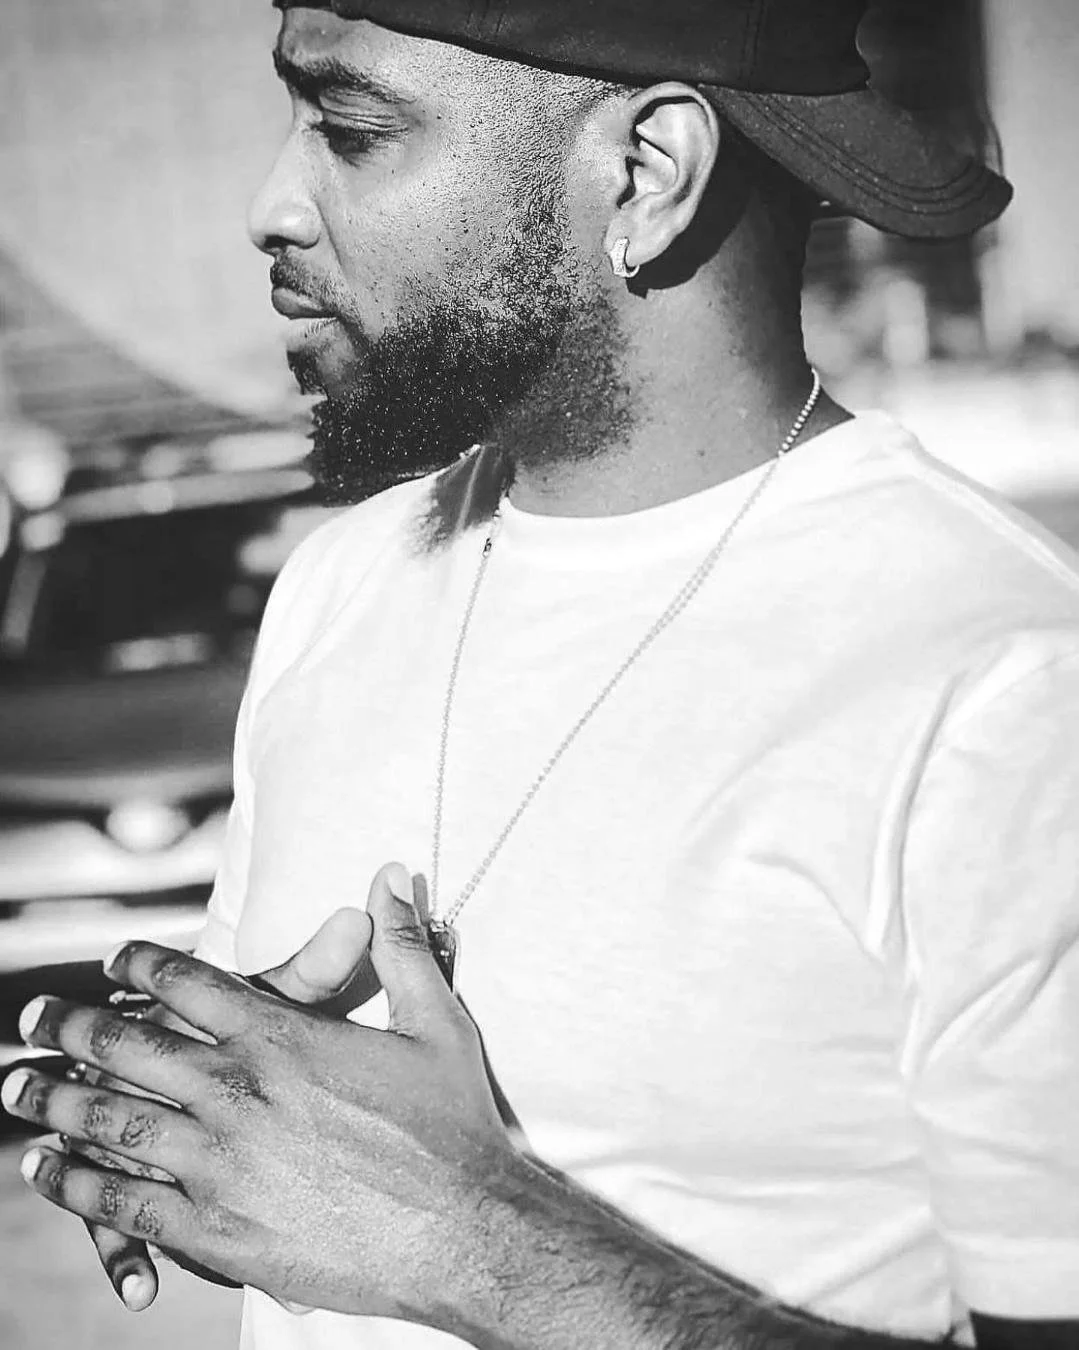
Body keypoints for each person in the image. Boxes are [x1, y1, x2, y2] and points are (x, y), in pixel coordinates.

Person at [3, 2, 1078, 1348]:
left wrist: (473, 1239)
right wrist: (204, 1126)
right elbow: (298, 1157)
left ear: (644, 173)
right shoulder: (338, 584)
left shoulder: (1001, 681)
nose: (270, 207)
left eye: (351, 127)